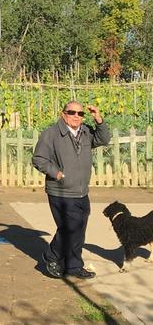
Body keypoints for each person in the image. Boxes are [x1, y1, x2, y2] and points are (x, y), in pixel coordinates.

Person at [32, 101, 110, 279]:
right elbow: (39, 159)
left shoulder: (86, 132)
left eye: (80, 114)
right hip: (61, 190)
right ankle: (51, 256)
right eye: (72, 112)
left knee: (79, 231)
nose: (76, 116)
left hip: (81, 190)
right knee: (70, 227)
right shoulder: (51, 134)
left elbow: (104, 139)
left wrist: (98, 119)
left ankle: (74, 266)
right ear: (63, 114)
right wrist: (57, 174)